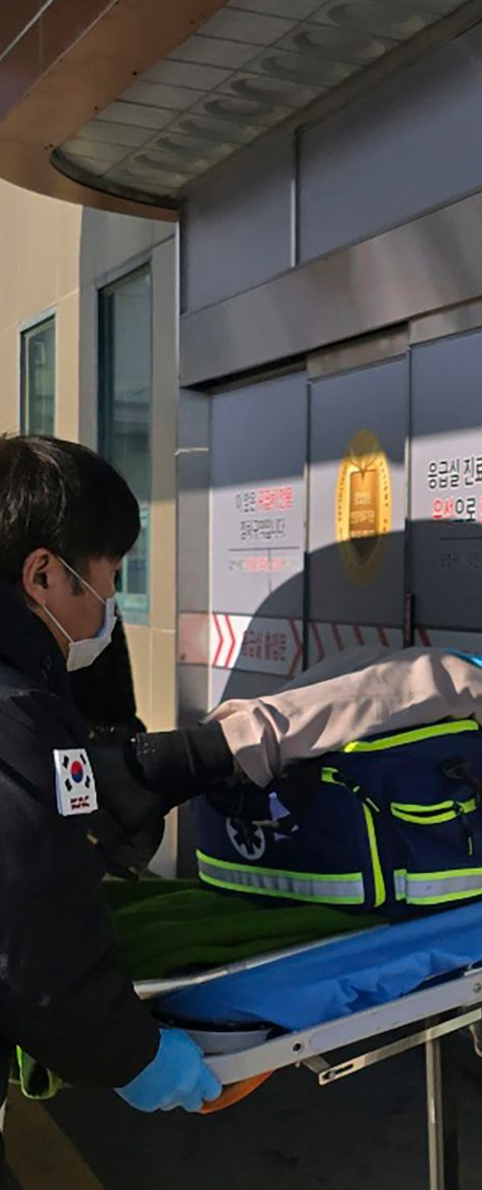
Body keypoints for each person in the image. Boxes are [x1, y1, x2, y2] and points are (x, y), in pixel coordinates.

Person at [0, 436, 221, 1183]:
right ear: (42, 574)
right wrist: (134, 1054)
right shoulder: (17, 716)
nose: (110, 604)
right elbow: (33, 937)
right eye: (107, 575)